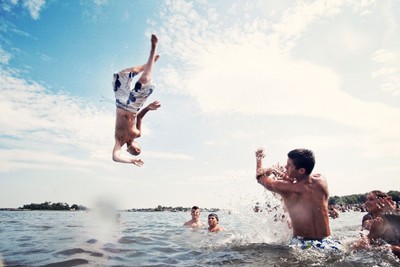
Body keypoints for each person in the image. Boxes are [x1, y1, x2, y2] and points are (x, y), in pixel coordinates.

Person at [255, 148, 340, 250]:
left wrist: (259, 159)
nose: (285, 167)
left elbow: (260, 178)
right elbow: (298, 181)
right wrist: (281, 173)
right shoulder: (321, 180)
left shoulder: (288, 188)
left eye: (289, 165)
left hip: (303, 245)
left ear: (301, 170)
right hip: (328, 243)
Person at [112, 34, 160, 166]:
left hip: (121, 103)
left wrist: (131, 161)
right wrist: (148, 108)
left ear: (128, 150)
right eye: (139, 151)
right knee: (144, 81)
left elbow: (115, 157)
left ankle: (145, 65)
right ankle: (153, 50)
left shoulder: (119, 140)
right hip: (133, 107)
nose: (137, 151)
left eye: (135, 153)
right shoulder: (137, 134)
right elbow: (140, 117)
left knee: (122, 75)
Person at [354, 190, 400, 258]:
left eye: (371, 199)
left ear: (384, 200)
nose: (367, 202)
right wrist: (371, 235)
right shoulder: (367, 219)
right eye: (366, 200)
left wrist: (393, 215)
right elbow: (358, 246)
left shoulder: (395, 217)